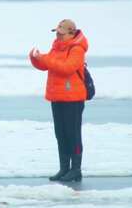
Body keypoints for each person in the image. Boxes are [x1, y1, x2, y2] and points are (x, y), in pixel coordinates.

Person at [29, 19, 88, 182]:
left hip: (73, 98)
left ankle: (76, 170)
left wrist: (45, 59)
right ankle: (64, 169)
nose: (58, 35)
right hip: (58, 97)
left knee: (73, 134)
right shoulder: (57, 46)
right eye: (56, 32)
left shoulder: (77, 49)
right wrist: (35, 58)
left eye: (61, 33)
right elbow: (46, 64)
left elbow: (66, 68)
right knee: (60, 134)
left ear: (71, 33)